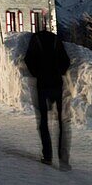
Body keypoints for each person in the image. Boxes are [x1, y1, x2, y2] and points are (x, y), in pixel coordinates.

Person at [24, 29, 71, 168]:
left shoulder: (35, 39)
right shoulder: (56, 40)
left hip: (42, 84)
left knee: (43, 120)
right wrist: (59, 72)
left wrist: (37, 73)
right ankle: (63, 158)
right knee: (61, 121)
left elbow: (28, 59)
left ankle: (47, 155)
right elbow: (66, 61)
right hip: (57, 83)